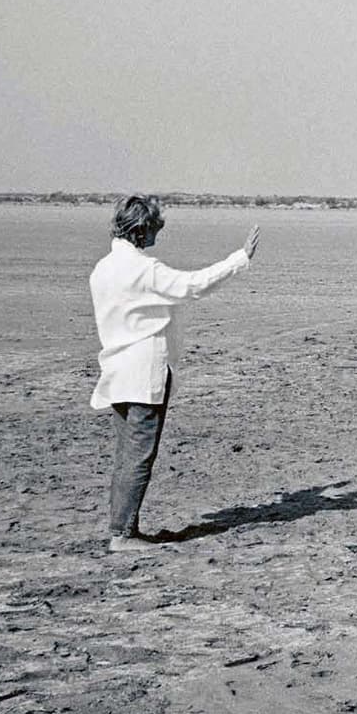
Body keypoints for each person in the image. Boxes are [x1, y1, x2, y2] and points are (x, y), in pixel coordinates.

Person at [89, 195, 259, 552]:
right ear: (140, 229)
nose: (156, 235)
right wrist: (239, 259)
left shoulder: (102, 268)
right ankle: (123, 535)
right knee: (138, 456)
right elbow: (192, 286)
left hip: (117, 372)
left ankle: (121, 527)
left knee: (127, 455)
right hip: (142, 372)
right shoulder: (142, 269)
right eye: (153, 228)